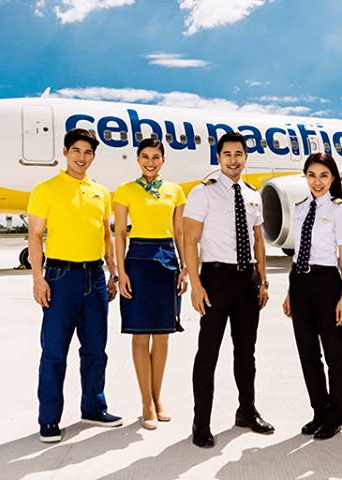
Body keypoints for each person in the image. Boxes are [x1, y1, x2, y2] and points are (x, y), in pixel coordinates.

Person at [26, 128, 122, 443]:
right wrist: (38, 278)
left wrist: (113, 272)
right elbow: (35, 236)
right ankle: (49, 419)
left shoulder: (101, 192)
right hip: (60, 277)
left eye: (88, 152)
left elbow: (106, 235)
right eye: (77, 151)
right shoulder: (46, 189)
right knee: (54, 352)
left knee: (95, 350)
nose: (82, 157)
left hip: (95, 277)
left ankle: (93, 408)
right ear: (65, 152)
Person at [183, 131, 274, 448]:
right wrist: (196, 285)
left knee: (246, 352)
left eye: (238, 154)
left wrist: (262, 280)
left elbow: (258, 239)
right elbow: (190, 240)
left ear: (245, 158)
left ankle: (246, 411)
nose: (233, 160)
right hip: (215, 279)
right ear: (218, 158)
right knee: (208, 353)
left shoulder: (252, 195)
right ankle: (201, 422)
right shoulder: (202, 193)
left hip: (247, 281)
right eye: (227, 155)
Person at [113, 137, 188, 431]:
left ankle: (158, 398)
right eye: (145, 156)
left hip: (168, 262)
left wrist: (185, 268)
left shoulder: (175, 191)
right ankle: (146, 401)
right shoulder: (125, 190)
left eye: (156, 157)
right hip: (138, 262)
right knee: (141, 335)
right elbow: (120, 233)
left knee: (164, 335)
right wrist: (121, 272)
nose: (150, 162)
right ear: (138, 159)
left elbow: (179, 232)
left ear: (163, 160)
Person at [282, 153, 342, 440]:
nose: (317, 181)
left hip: (327, 283)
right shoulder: (300, 208)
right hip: (300, 283)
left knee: (334, 353)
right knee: (308, 352)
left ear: (333, 178)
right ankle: (319, 412)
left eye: (324, 175)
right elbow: (298, 252)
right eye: (311, 175)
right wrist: (290, 292)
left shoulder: (338, 209)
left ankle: (334, 417)